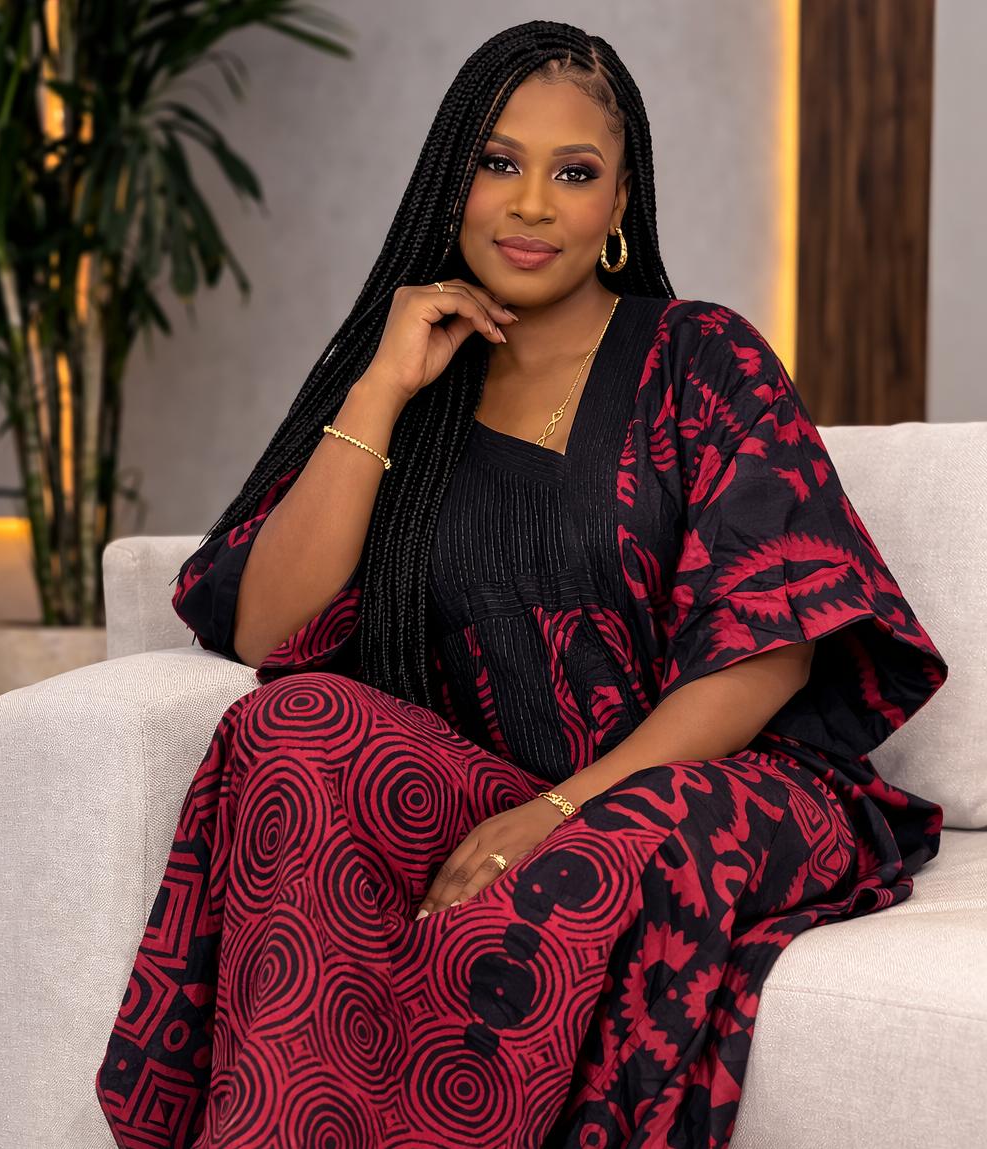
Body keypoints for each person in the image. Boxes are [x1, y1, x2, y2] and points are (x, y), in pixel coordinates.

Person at [97, 21, 945, 1149]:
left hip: (709, 787)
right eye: (499, 164)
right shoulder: (418, 392)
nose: (532, 204)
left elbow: (766, 651)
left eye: (573, 172)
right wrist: (384, 389)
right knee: (290, 723)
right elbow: (268, 629)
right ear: (452, 179)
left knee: (598, 853)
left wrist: (558, 813)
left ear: (619, 203)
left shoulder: (701, 356)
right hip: (493, 788)